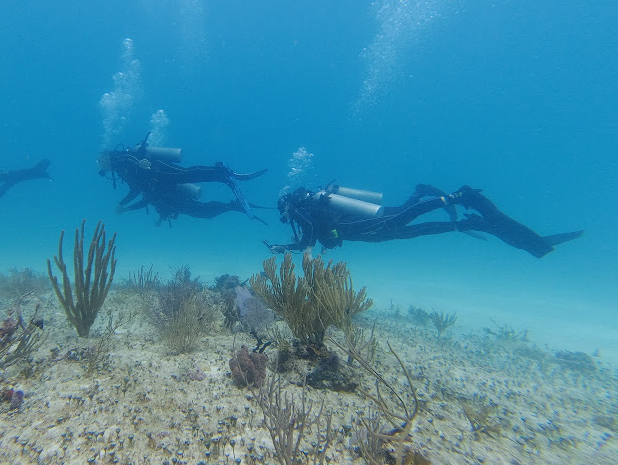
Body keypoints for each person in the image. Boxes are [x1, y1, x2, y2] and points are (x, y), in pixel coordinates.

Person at [264, 183, 584, 258]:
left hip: (371, 228)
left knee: (409, 221)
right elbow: (311, 241)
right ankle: (461, 217)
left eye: (283, 212)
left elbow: (308, 242)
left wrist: (284, 247)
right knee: (410, 220)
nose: (284, 217)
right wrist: (283, 246)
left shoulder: (304, 213)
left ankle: (456, 199)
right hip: (372, 227)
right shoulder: (309, 209)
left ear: (288, 206)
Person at [99, 133, 268, 226]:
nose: (100, 165)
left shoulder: (119, 160)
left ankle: (222, 172)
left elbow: (130, 159)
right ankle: (226, 187)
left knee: (187, 174)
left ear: (107, 157)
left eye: (101, 160)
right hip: (158, 182)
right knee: (201, 208)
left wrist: (122, 204)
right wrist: (125, 206)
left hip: (159, 171)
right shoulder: (120, 170)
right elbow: (137, 190)